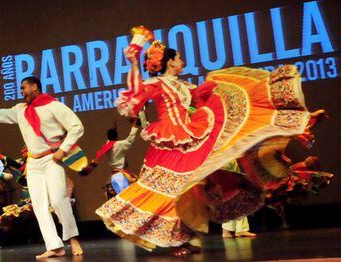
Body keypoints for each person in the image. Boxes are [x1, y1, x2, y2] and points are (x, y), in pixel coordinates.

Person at [96, 37, 317, 256]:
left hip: (190, 133)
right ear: (170, 62)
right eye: (180, 58)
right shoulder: (157, 84)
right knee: (172, 188)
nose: (183, 62)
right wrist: (133, 58)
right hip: (170, 140)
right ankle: (174, 241)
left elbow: (201, 105)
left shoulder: (185, 86)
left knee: (191, 187)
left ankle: (182, 237)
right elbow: (135, 93)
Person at [0, 76, 84, 259]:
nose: (21, 92)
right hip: (33, 164)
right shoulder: (21, 109)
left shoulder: (53, 106)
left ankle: (73, 238)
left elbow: (77, 127)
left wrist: (63, 150)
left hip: (52, 160)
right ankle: (55, 246)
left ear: (35, 87)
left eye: (23, 88)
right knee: (39, 205)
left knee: (58, 200)